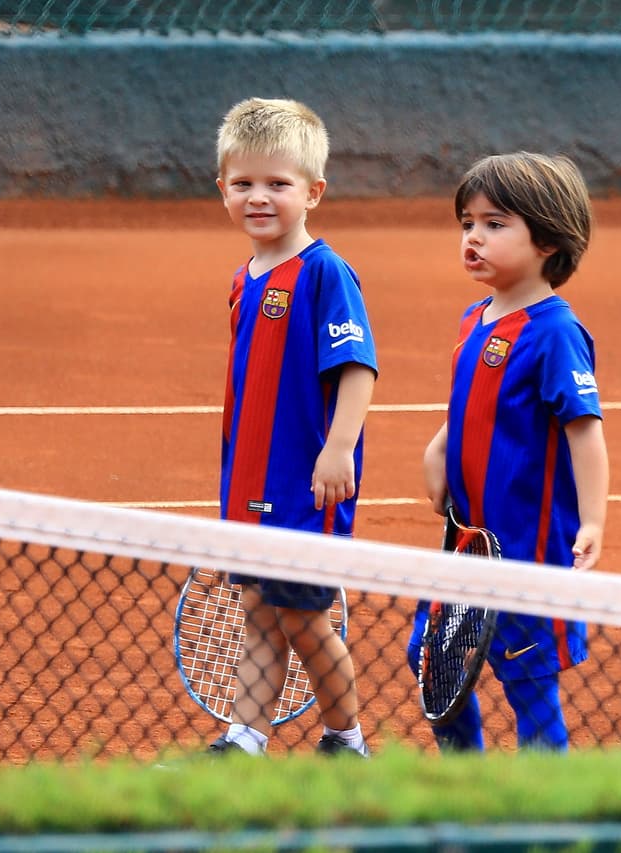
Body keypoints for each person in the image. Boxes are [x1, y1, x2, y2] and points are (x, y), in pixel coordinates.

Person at [412, 151, 609, 751]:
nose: (473, 237)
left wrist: (594, 519)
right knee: (429, 660)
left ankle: (547, 810)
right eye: (467, 223)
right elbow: (472, 405)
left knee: (528, 683)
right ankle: (467, 780)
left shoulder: (554, 333)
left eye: (495, 225)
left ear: (547, 240)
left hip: (527, 550)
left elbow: (586, 430)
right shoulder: (476, 318)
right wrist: (439, 449)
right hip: (468, 544)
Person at [208, 97, 376, 757]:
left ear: (313, 192)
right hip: (248, 482)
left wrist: (338, 449)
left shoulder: (325, 273)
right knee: (256, 612)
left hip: (306, 486)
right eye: (243, 183)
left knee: (304, 617)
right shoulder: (243, 279)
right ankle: (246, 738)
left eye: (278, 184)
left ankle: (347, 739)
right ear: (222, 188)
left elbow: (358, 364)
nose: (259, 197)